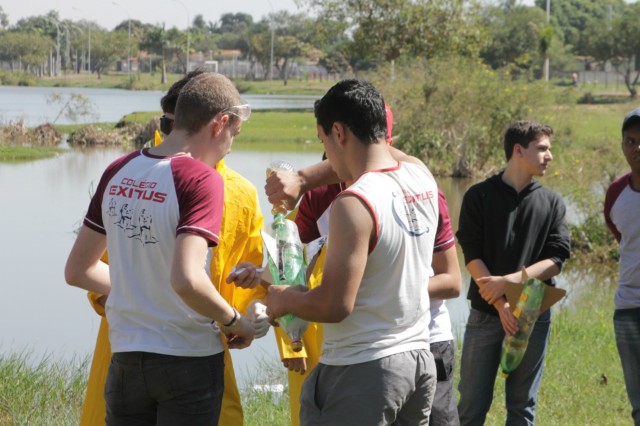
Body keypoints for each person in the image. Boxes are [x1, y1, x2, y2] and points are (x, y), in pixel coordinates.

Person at [78, 70, 269, 426]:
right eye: (233, 135)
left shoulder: (119, 170)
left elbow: (78, 270)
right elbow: (185, 279)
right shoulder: (203, 179)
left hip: (127, 356)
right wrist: (234, 321)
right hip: (187, 355)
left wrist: (141, 288)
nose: (230, 145)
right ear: (220, 123)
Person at [264, 79, 439, 425]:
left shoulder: (354, 203)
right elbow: (387, 155)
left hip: (363, 369)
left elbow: (334, 305)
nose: (326, 155)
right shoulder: (421, 176)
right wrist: (303, 179)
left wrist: (283, 299)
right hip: (418, 361)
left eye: (324, 141)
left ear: (339, 133)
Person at [455, 120, 571, 425]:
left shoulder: (552, 202)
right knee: (470, 404)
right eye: (542, 148)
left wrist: (511, 281)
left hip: (533, 313)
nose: (550, 156)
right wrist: (501, 304)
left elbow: (557, 258)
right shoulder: (478, 196)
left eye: (550, 149)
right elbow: (471, 254)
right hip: (485, 314)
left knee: (522, 407)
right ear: (518, 150)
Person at [603, 108, 640, 426]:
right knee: (638, 401)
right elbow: (621, 237)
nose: (637, 148)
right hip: (628, 307)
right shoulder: (616, 193)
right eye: (631, 141)